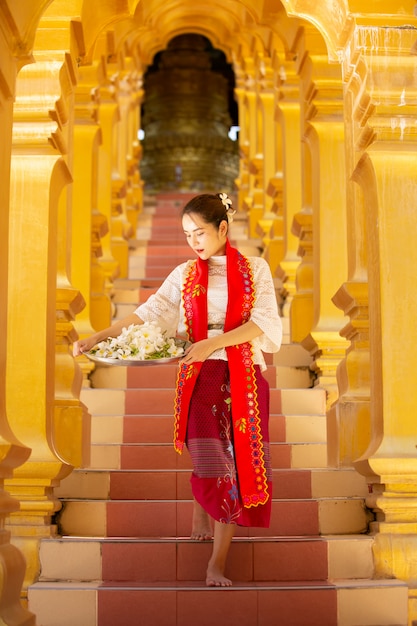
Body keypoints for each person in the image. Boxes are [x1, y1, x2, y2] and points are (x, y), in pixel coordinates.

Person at [73, 192, 282, 587]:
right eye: (187, 235)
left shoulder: (256, 269)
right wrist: (96, 337)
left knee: (235, 469)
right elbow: (146, 314)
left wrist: (211, 343)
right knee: (212, 463)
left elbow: (264, 324)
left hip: (245, 377)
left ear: (223, 228)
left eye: (200, 232)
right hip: (201, 378)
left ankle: (216, 562)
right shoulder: (186, 273)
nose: (194, 242)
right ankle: (203, 507)